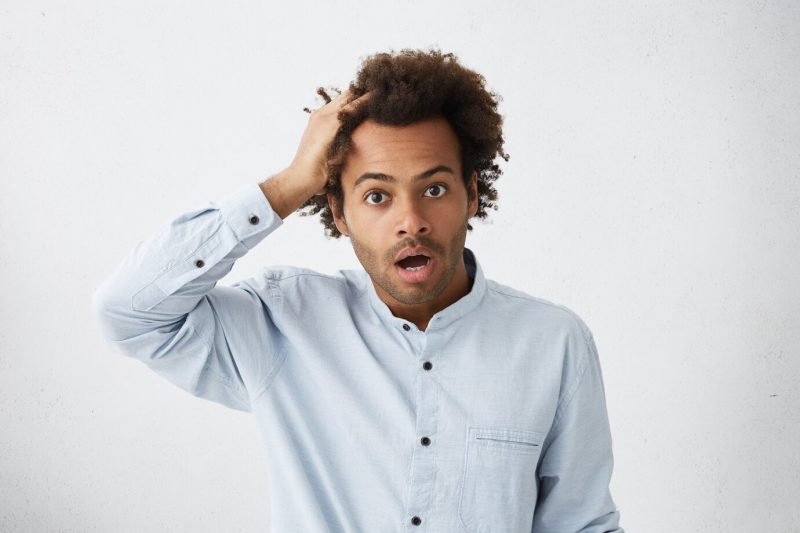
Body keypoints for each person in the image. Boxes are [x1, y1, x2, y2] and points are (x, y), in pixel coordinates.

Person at [92, 48, 624, 532]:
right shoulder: (282, 324)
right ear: (338, 213)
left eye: (434, 189)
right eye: (376, 197)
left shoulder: (554, 342)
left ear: (471, 197)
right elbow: (129, 310)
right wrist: (290, 183)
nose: (410, 222)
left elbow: (581, 525)